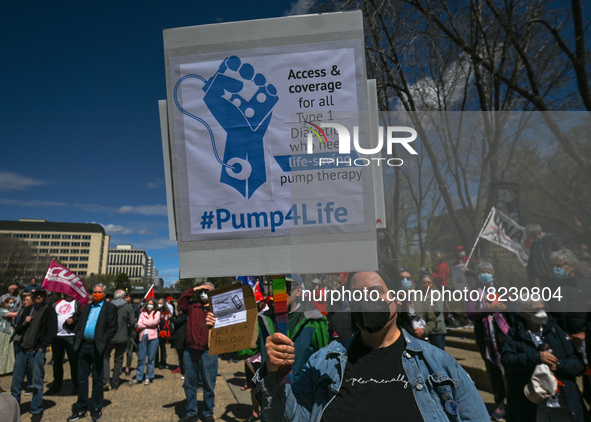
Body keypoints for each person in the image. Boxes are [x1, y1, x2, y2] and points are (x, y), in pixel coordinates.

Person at [255, 270, 489, 421]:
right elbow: (287, 418)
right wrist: (275, 375)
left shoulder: (440, 365)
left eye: (376, 292)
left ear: (397, 298)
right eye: (357, 296)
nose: (366, 300)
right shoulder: (322, 363)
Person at [502, 300, 588, 422]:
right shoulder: (515, 334)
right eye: (534, 310)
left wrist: (558, 365)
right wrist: (536, 357)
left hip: (562, 403)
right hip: (531, 404)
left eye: (542, 308)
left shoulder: (556, 331)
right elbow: (508, 362)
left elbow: (578, 364)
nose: (541, 313)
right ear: (523, 312)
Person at [67, 284, 118, 422]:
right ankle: (81, 408)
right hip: (83, 346)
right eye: (94, 292)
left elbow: (113, 328)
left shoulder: (110, 308)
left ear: (105, 293)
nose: (96, 294)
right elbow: (81, 324)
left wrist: (103, 340)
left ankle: (96, 408)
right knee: (82, 379)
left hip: (97, 347)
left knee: (97, 379)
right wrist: (77, 333)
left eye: (99, 292)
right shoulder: (88, 307)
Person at [467, 261, 509, 421]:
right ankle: (500, 403)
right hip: (486, 339)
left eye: (488, 271)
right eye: (482, 272)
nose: (485, 274)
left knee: (511, 371)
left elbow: (513, 305)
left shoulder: (502, 290)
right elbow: (471, 314)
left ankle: (514, 402)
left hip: (505, 336)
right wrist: (490, 308)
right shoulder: (473, 293)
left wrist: (506, 306)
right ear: (477, 276)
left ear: (493, 274)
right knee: (494, 372)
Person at [10, 288, 57, 422]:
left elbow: (52, 331)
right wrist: (25, 322)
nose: (38, 297)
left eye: (41, 295)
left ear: (45, 297)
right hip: (22, 350)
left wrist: (42, 347)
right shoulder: (28, 310)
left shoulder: (49, 311)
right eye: (36, 295)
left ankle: (36, 409)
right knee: (16, 383)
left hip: (36, 351)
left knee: (37, 382)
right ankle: (15, 409)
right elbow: (18, 328)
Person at [177, 282, 218, 422]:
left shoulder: (217, 308)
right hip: (190, 350)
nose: (203, 293)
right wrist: (195, 288)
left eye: (207, 290)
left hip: (209, 351)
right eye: (202, 290)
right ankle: (191, 412)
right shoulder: (192, 306)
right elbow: (181, 301)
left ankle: (208, 413)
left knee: (208, 384)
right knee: (190, 383)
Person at [46, 294, 80, 395]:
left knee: (74, 361)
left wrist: (74, 320)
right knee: (57, 361)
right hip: (57, 336)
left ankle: (77, 384)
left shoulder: (77, 303)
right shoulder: (57, 303)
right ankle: (57, 384)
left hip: (71, 335)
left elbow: (82, 317)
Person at [103, 289, 136, 390]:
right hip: (122, 336)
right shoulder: (128, 307)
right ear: (123, 296)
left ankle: (105, 380)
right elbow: (132, 322)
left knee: (105, 357)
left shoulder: (107, 306)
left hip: (109, 336)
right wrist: (128, 332)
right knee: (118, 359)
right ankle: (115, 382)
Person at [129, 298, 160, 386]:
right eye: (148, 304)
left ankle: (148, 377)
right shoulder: (142, 313)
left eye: (152, 304)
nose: (150, 305)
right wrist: (149, 323)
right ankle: (139, 377)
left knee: (151, 359)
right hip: (142, 337)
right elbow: (139, 324)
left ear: (154, 305)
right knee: (141, 358)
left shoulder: (156, 313)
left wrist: (145, 323)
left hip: (153, 338)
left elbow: (155, 322)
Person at [526, 223, 563, 289]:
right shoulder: (534, 244)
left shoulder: (551, 240)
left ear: (536, 233)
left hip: (554, 277)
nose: (528, 237)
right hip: (542, 280)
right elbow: (531, 263)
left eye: (529, 235)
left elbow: (562, 256)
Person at [418, 273, 446, 350]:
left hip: (437, 330)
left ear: (432, 283)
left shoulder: (437, 295)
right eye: (424, 283)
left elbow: (438, 310)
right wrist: (429, 306)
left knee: (439, 352)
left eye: (429, 282)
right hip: (424, 329)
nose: (426, 284)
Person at [1, 297, 18, 375]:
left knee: (9, 351)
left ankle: (8, 369)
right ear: (5, 303)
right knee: (3, 351)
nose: (12, 304)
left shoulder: (7, 310)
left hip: (9, 332)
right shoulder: (2, 311)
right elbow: (15, 314)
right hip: (4, 333)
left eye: (13, 302)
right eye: (10, 302)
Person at [171, 309, 188, 377]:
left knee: (183, 354)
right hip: (178, 336)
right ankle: (180, 367)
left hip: (182, 337)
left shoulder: (184, 315)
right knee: (179, 354)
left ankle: (184, 370)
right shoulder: (181, 315)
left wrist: (171, 318)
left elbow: (177, 321)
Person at [156, 298, 171, 369]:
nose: (159, 304)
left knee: (162, 348)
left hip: (163, 331)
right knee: (155, 347)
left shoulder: (166, 312)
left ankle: (163, 362)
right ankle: (155, 362)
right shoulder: (155, 311)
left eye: (161, 303)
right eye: (158, 303)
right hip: (156, 331)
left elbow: (167, 321)